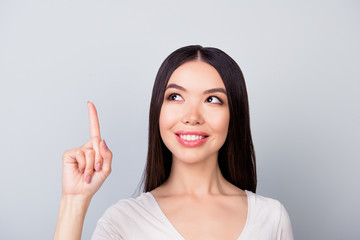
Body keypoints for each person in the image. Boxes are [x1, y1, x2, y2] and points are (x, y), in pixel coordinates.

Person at [54, 45, 294, 240]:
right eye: (175, 97)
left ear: (234, 115)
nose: (192, 117)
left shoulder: (271, 218)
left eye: (212, 99)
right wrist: (74, 201)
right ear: (158, 110)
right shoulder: (123, 221)